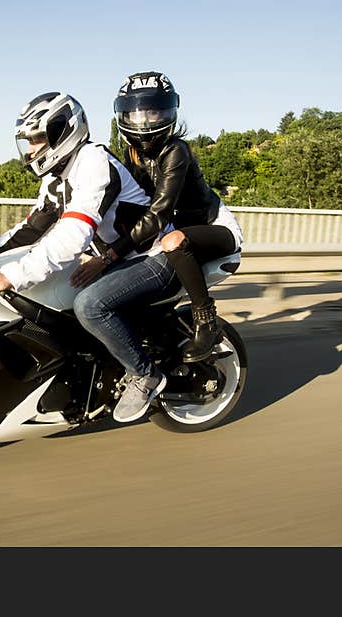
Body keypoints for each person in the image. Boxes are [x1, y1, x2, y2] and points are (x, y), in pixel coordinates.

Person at [71, 71, 243, 423]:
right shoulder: (130, 153)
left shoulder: (175, 151)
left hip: (212, 229)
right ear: (123, 115)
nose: (145, 122)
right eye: (137, 113)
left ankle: (205, 320)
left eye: (154, 113)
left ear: (170, 114)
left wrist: (110, 255)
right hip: (172, 231)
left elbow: (158, 213)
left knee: (173, 240)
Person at [0, 92, 151, 309]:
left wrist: (12, 277)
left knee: (89, 308)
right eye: (28, 142)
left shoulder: (93, 161)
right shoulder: (56, 174)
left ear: (62, 133)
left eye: (36, 139)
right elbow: (32, 229)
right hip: (113, 257)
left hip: (146, 255)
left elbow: (74, 233)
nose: (30, 151)